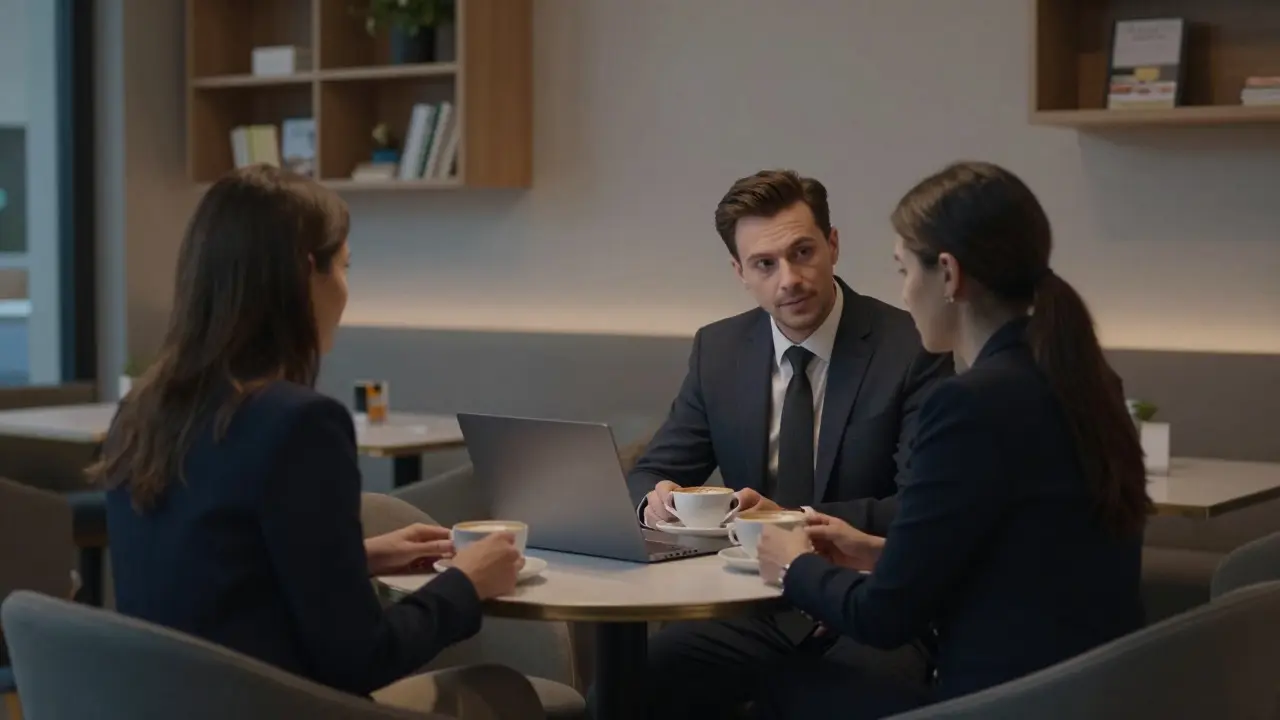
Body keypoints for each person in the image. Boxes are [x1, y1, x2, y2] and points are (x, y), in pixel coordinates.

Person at [91, 166, 527, 708]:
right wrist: (466, 582)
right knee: (505, 692)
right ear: (305, 275)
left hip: (172, 704)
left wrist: (353, 559)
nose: (346, 291)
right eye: (344, 267)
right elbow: (361, 659)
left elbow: (207, 576)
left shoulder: (142, 411)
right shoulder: (299, 425)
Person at [754, 160, 1150, 719]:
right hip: (1089, 693)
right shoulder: (1085, 379)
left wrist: (794, 564)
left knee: (787, 686)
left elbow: (884, 619)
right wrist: (878, 553)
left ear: (947, 274)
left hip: (1000, 700)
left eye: (902, 270)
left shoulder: (969, 404)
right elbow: (1029, 563)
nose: (905, 292)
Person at [618, 170, 953, 718]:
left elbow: (920, 506)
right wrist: (653, 497)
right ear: (740, 272)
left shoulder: (911, 345)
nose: (789, 279)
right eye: (765, 264)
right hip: (747, 608)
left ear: (833, 245)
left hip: (864, 607)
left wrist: (791, 521)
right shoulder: (719, 349)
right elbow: (651, 468)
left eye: (803, 252)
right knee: (630, 689)